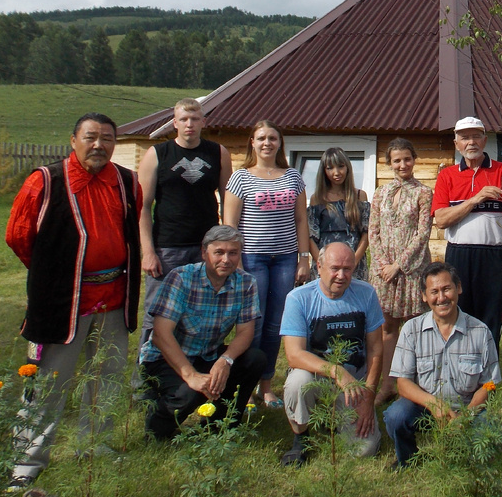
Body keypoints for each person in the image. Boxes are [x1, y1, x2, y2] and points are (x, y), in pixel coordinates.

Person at [5, 112, 142, 484]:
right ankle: (27, 463)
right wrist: (56, 274)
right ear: (73, 140)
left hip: (114, 297)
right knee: (49, 382)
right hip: (63, 302)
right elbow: (19, 236)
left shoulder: (127, 182)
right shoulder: (45, 181)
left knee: (108, 376)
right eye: (91, 137)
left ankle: (95, 446)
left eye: (107, 139)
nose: (99, 145)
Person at [138, 226, 266, 439]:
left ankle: (221, 425)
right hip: (165, 358)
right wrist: (191, 376)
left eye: (233, 253)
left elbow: (245, 332)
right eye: (219, 252)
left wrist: (225, 361)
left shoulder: (246, 283)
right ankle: (158, 422)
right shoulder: (181, 278)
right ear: (204, 253)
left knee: (255, 359)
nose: (226, 259)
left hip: (208, 354)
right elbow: (161, 334)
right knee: (188, 395)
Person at [223, 121, 311, 410]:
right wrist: (233, 260)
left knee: (276, 325)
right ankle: (244, 387)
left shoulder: (293, 177)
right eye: (261, 138)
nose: (267, 143)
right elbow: (230, 225)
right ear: (252, 142)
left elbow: (301, 220)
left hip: (285, 259)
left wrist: (303, 257)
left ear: (280, 143)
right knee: (253, 324)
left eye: (273, 138)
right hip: (252, 259)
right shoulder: (241, 178)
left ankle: (266, 385)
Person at [432, 116, 502, 350]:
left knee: (491, 314)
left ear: (485, 140)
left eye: (476, 136)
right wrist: (475, 199)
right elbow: (440, 220)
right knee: (457, 312)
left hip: (492, 255)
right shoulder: (447, 175)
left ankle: (488, 377)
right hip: (458, 254)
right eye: (465, 137)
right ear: (456, 143)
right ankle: (459, 369)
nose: (471, 142)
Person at [383, 262, 501, 466]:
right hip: (425, 407)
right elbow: (402, 384)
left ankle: (467, 461)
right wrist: (433, 404)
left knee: (488, 431)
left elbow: (489, 384)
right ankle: (409, 460)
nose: (441, 298)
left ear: (459, 288)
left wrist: (467, 416)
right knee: (395, 416)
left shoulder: (480, 332)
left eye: (447, 289)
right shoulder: (411, 330)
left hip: (467, 407)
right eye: (434, 291)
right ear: (424, 296)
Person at [137, 98, 232, 352]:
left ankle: (194, 373)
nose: (189, 124)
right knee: (158, 317)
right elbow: (143, 208)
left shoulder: (218, 153)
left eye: (194, 119)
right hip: (168, 248)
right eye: (183, 119)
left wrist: (227, 245)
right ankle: (146, 383)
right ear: (175, 123)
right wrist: (148, 252)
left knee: (202, 314)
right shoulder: (157, 154)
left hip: (206, 249)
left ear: (203, 122)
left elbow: (228, 201)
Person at [279, 242, 384, 464]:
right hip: (317, 378)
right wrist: (335, 371)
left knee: (363, 451)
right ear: (319, 266)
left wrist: (369, 396)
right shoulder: (299, 298)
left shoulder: (366, 294)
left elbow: (376, 349)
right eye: (335, 268)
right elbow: (294, 355)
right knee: (298, 381)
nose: (341, 275)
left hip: (355, 387)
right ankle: (301, 438)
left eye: (348, 269)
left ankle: (333, 421)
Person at [368, 137, 433, 405]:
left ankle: (417, 385)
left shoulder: (423, 192)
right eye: (397, 160)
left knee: (416, 327)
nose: (402, 164)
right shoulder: (380, 193)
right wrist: (384, 264)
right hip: (383, 271)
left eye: (407, 158)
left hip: (412, 269)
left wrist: (399, 265)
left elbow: (423, 233)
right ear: (389, 163)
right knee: (387, 327)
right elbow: (373, 230)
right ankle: (388, 384)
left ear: (414, 159)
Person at [310, 146, 371, 281]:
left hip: (355, 262)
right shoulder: (317, 198)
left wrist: (353, 261)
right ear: (323, 171)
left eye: (340, 166)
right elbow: (311, 238)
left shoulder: (360, 196)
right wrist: (321, 264)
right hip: (325, 264)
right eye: (330, 168)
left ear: (347, 167)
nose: (336, 172)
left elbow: (366, 234)